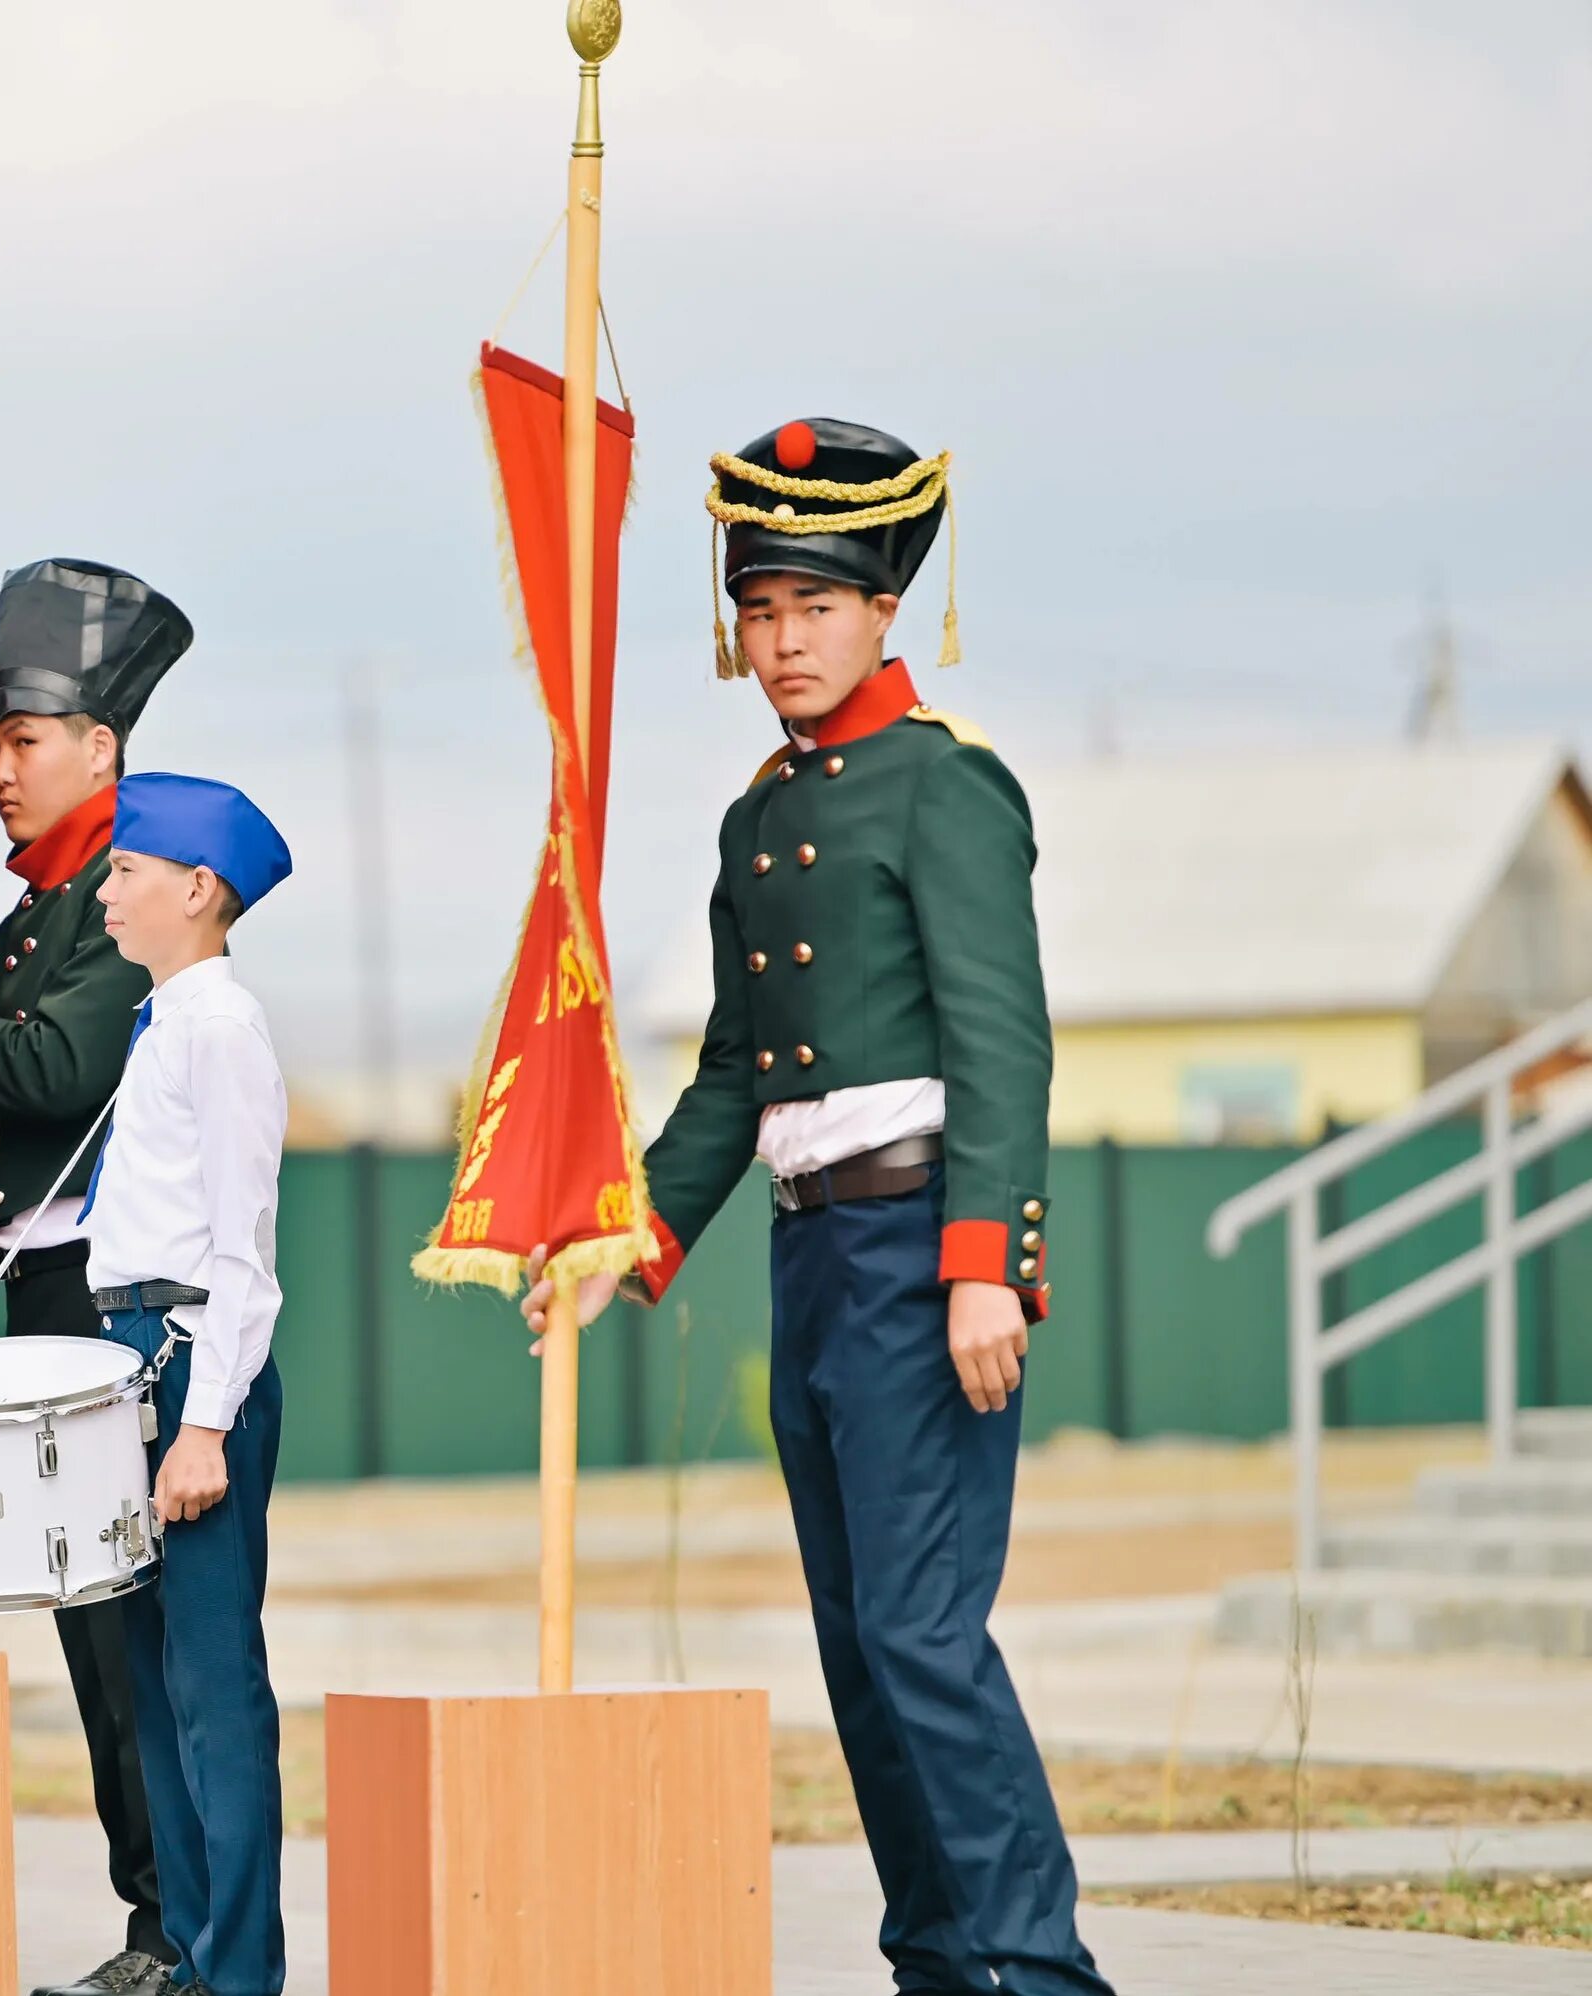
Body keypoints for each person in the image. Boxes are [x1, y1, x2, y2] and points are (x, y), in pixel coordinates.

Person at [526, 419, 1111, 1996]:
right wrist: (627, 1241)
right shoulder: (761, 816)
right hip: (813, 1259)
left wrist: (989, 1263)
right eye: (760, 610)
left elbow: (1003, 1036)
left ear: (883, 611)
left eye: (815, 608)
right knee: (862, 1652)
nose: (782, 640)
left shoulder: (947, 786)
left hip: (926, 1256)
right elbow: (738, 1073)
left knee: (925, 1641)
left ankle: (1038, 1976)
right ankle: (942, 1962)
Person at [0, 557, 195, 1996]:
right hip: (36, 1305)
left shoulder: (120, 898)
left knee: (135, 1639)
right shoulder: (35, 910)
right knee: (91, 1645)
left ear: (101, 747)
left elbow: (60, 1070)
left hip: (109, 1313)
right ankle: (150, 1923)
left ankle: (178, 1932)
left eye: (23, 741)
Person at [80, 772, 293, 1996]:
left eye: (125, 870)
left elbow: (240, 1254)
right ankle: (196, 1957)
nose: (106, 889)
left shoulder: (220, 1029)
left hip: (189, 1366)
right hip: (133, 1363)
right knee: (155, 1689)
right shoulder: (163, 1022)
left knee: (212, 1689)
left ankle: (243, 1971)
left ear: (197, 888)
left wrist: (203, 1424)